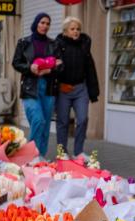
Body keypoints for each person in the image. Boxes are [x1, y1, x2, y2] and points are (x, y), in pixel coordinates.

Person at [12, 12, 62, 160]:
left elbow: (60, 65)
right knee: (38, 120)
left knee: (45, 125)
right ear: (36, 23)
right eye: (42, 22)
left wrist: (48, 69)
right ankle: (31, 155)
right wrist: (30, 67)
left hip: (48, 87)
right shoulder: (24, 42)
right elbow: (16, 62)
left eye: (47, 23)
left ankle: (40, 156)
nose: (45, 26)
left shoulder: (54, 44)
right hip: (30, 87)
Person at [54, 16, 99, 159]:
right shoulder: (58, 45)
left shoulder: (84, 46)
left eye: (78, 29)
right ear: (65, 31)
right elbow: (53, 68)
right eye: (72, 29)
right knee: (63, 121)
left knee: (83, 119)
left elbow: (90, 69)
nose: (76, 32)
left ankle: (78, 151)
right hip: (63, 89)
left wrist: (93, 92)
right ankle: (62, 153)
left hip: (80, 89)